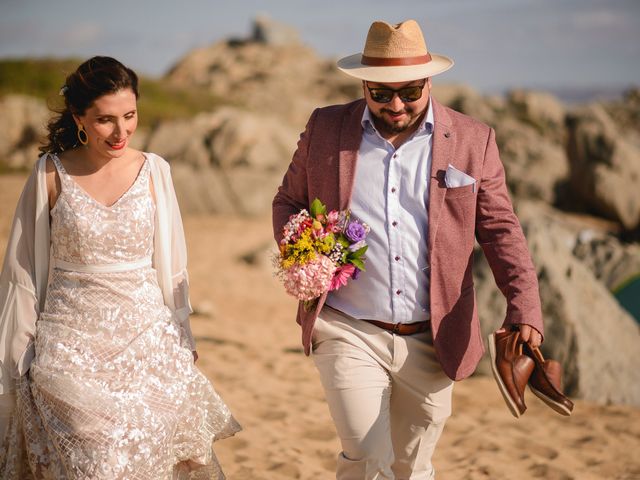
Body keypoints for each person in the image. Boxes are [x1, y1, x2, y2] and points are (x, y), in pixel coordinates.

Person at [272, 20, 543, 479]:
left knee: (412, 468)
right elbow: (289, 202)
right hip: (348, 328)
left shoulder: (475, 140)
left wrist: (526, 307)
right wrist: (305, 258)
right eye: (381, 94)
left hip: (435, 338)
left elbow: (500, 231)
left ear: (429, 81)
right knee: (365, 459)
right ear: (364, 84)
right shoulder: (325, 128)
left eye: (410, 92)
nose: (395, 104)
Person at [0, 56, 240, 479]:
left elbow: (172, 265)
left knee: (152, 447)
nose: (121, 131)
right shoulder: (48, 175)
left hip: (146, 339)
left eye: (129, 116)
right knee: (95, 456)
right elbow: (22, 270)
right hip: (70, 344)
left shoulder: (155, 171)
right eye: (105, 120)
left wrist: (182, 335)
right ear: (79, 118)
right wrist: (15, 351)